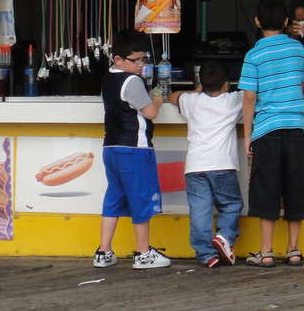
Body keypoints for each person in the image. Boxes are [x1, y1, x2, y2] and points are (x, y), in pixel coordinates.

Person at [238, 0, 304, 268]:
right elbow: (302, 86)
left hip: (267, 131)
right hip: (295, 129)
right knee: (297, 188)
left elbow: (249, 98)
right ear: (285, 21)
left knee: (266, 190)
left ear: (257, 21)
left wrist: (248, 136)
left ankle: (266, 251)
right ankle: (294, 250)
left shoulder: (254, 54)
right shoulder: (297, 49)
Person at [93, 28, 171, 270]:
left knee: (114, 198)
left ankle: (103, 251)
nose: (141, 65)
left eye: (144, 59)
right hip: (134, 150)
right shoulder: (133, 81)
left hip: (111, 148)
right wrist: (157, 97)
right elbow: (151, 113)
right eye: (136, 60)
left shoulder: (109, 78)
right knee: (141, 200)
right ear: (118, 59)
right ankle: (143, 253)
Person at [167, 60, 243, 267]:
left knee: (200, 211)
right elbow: (254, 96)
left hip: (195, 166)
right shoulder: (233, 100)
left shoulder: (192, 101)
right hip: (222, 164)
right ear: (226, 84)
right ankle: (225, 237)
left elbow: (171, 96)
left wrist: (195, 92)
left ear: (201, 84)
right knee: (231, 205)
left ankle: (206, 255)